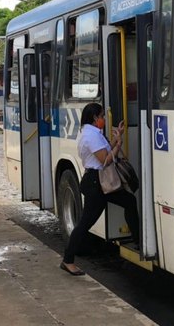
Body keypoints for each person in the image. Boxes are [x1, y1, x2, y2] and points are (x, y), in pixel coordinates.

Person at [60, 103, 139, 276]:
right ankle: (68, 260)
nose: (104, 119)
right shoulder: (91, 136)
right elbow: (105, 160)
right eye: (102, 116)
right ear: (95, 118)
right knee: (84, 224)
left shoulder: (91, 133)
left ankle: (138, 241)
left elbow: (104, 151)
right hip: (97, 183)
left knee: (129, 201)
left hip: (100, 181)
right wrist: (118, 144)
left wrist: (117, 138)